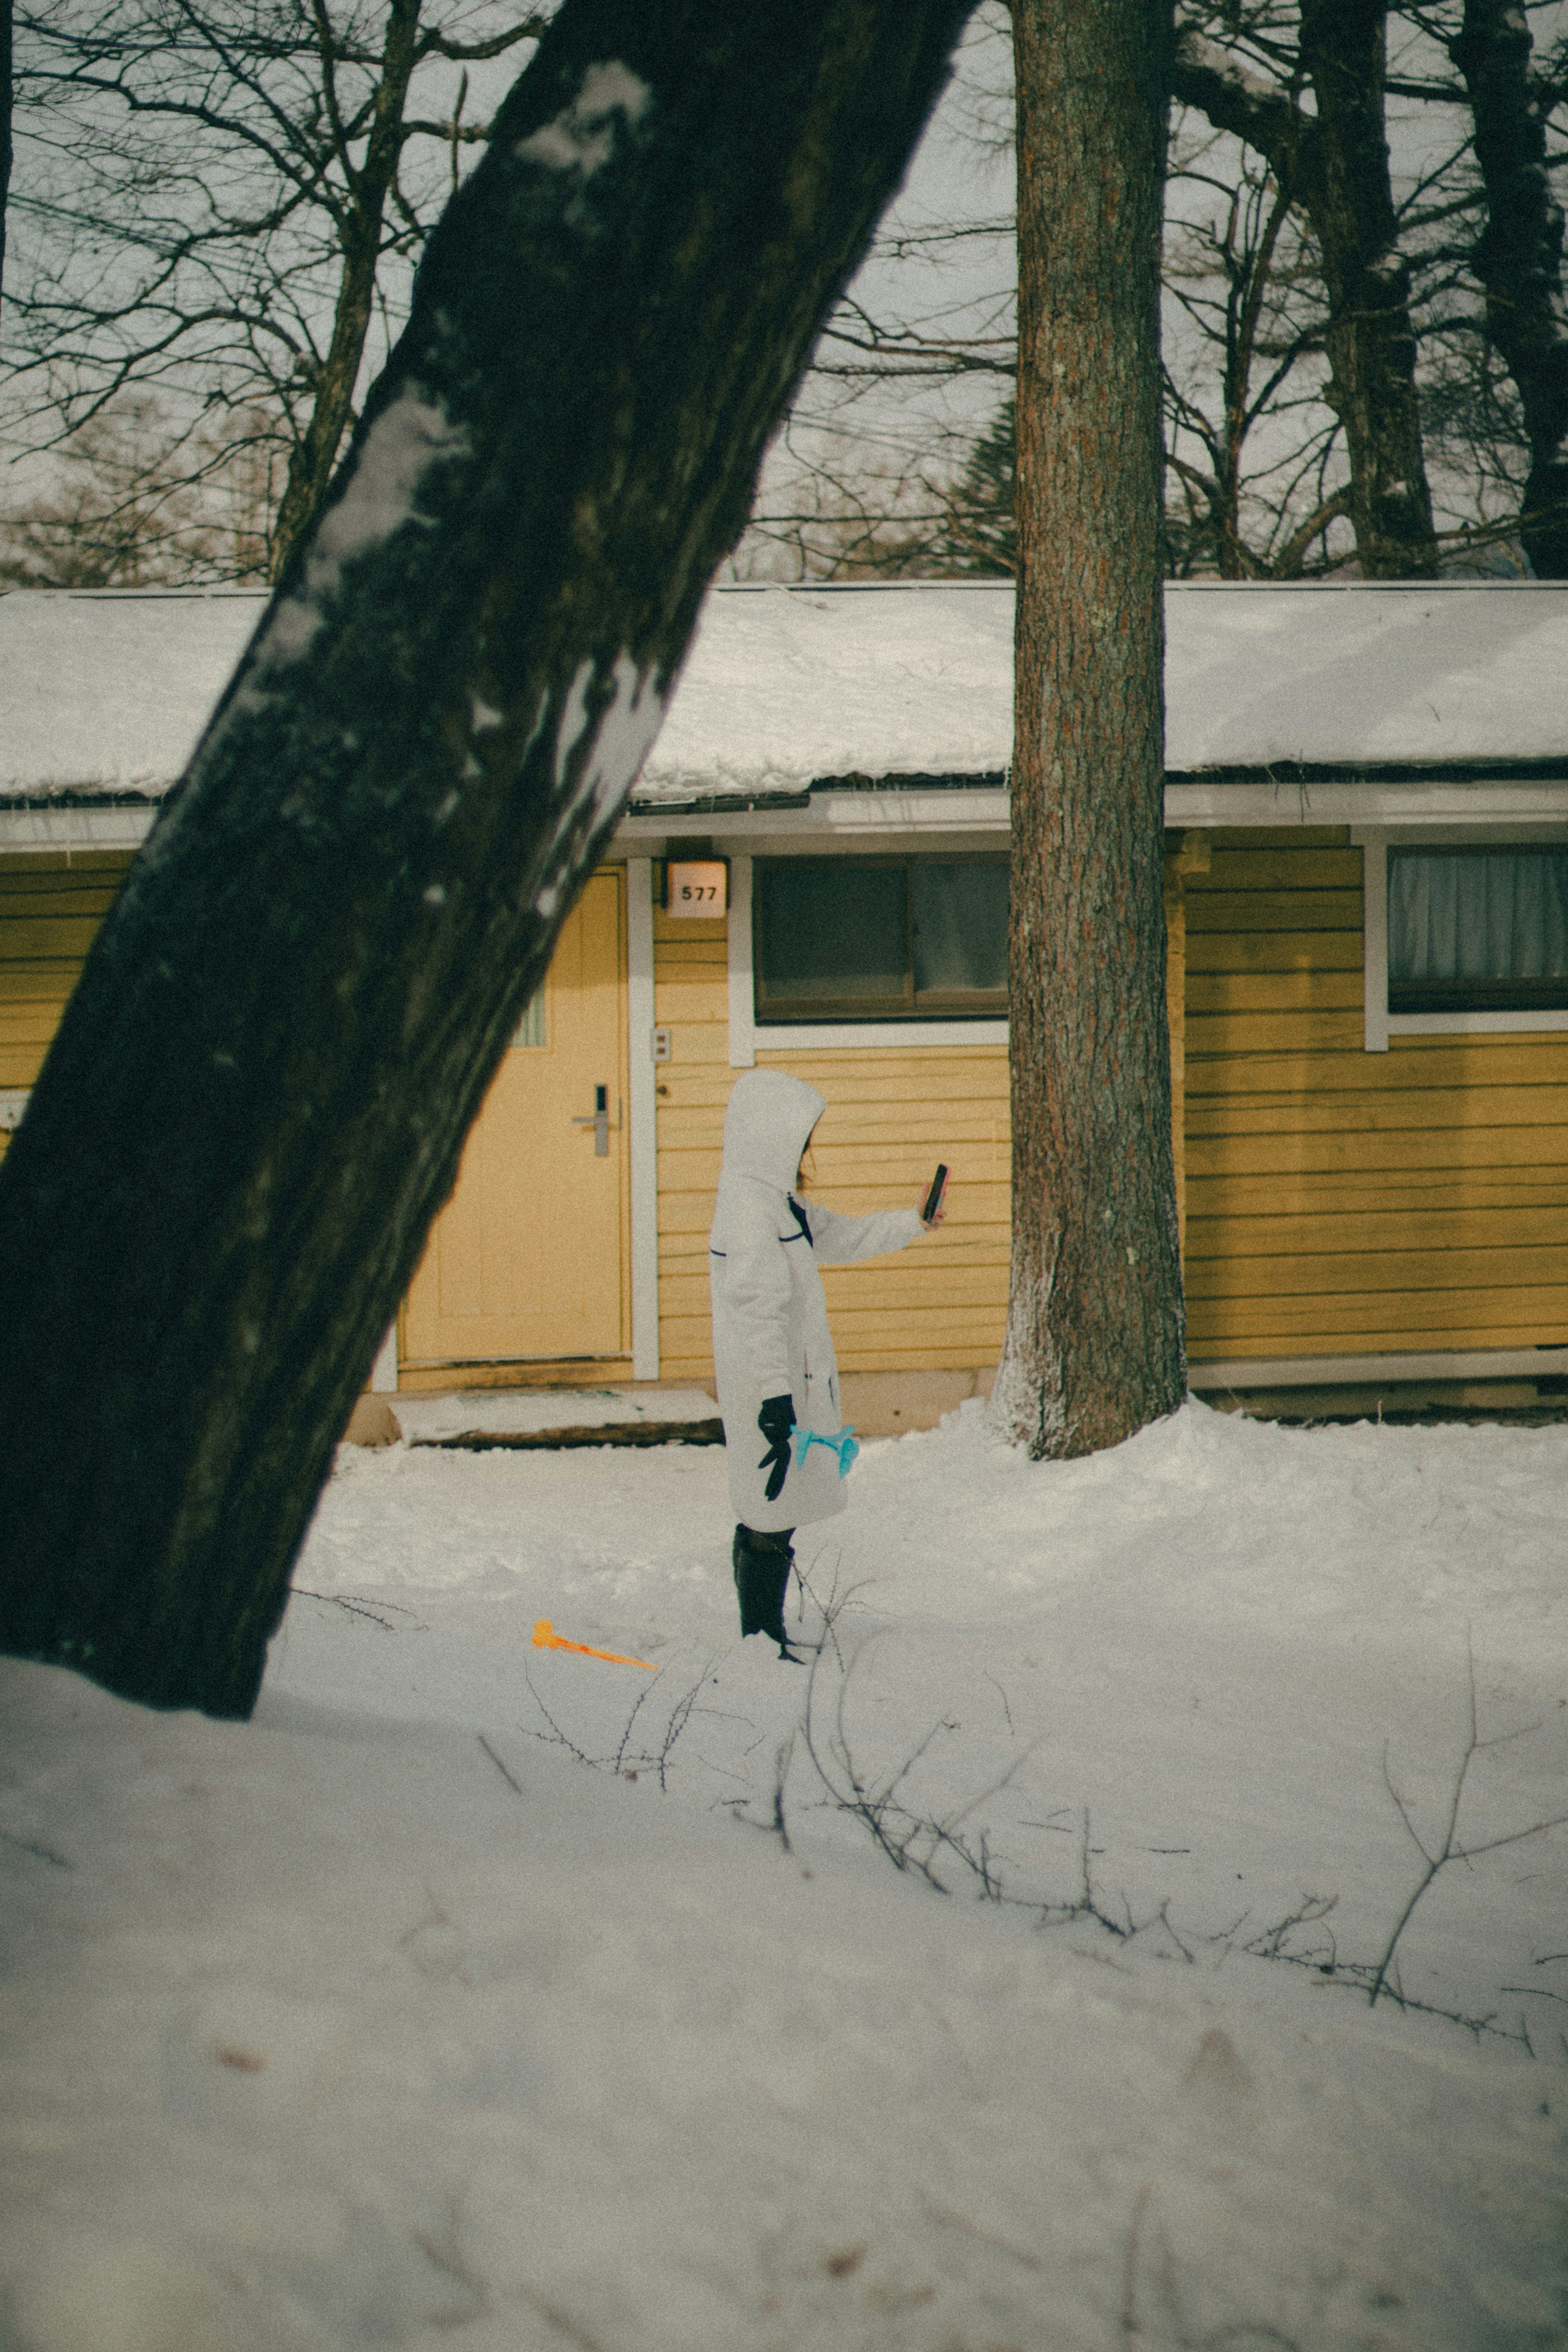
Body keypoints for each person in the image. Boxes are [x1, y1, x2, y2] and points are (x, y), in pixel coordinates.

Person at [708, 1068, 946, 1661]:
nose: (806, 1152)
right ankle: (761, 1641)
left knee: (779, 1505)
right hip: (768, 1386)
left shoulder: (778, 1204)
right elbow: (756, 1312)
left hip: (787, 1383)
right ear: (768, 1137)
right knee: (769, 1507)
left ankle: (766, 1635)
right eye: (799, 1139)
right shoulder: (748, 1212)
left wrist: (912, 1222)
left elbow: (840, 1237)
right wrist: (772, 1398)